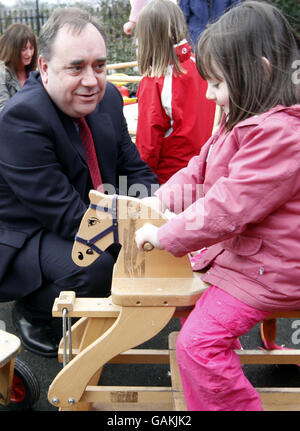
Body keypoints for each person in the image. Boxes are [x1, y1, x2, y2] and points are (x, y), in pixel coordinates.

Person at [135, 1, 300, 410]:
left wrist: (164, 235)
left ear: (259, 72)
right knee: (194, 333)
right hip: (253, 260)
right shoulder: (240, 119)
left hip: (272, 270)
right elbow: (198, 171)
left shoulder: (281, 136)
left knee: (198, 346)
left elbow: (228, 205)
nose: (209, 94)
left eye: (217, 84)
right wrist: (155, 202)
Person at [0, 7, 158, 358]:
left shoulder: (109, 98)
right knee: (96, 265)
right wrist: (138, 232)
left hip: (82, 211)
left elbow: (133, 170)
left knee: (140, 246)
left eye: (99, 65)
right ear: (43, 67)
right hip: (28, 232)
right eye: (76, 67)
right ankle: (34, 310)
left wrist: (159, 212)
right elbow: (67, 215)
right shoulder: (21, 119)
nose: (92, 79)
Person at [135, 0, 216, 185]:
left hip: (168, 183)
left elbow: (146, 150)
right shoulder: (202, 66)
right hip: (203, 173)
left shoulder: (154, 82)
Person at [0, 23, 37, 111]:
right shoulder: (2, 74)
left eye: (31, 48)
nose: (29, 54)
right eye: (24, 49)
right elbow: (3, 111)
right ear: (12, 50)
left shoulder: (35, 73)